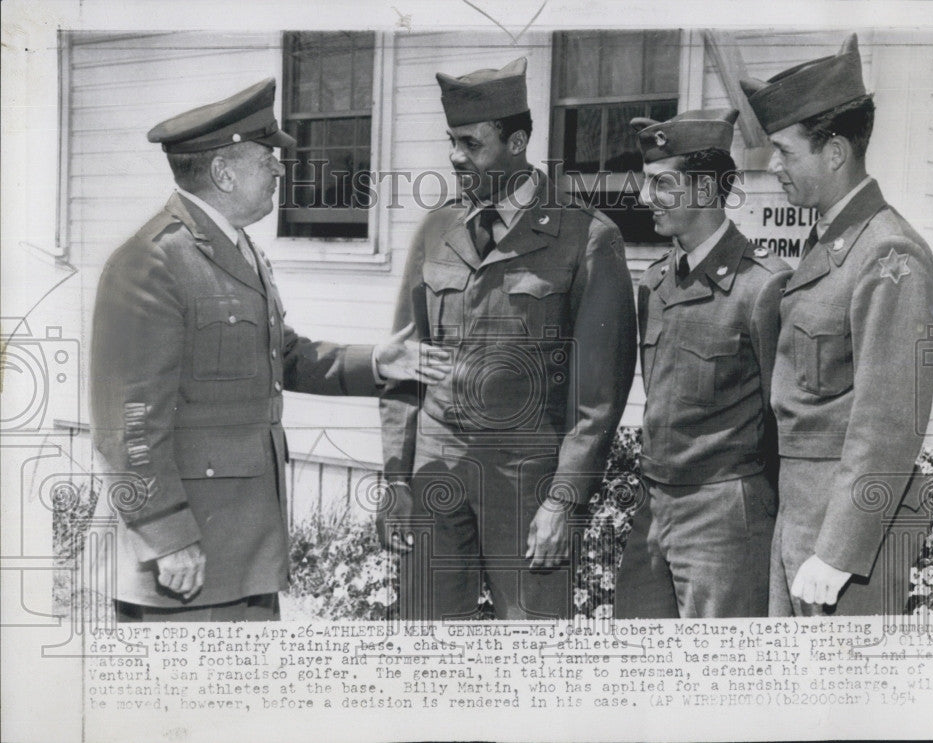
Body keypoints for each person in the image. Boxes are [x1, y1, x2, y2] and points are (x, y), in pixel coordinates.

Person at [89, 78, 450, 622]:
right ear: (223, 173)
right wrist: (166, 534)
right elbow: (127, 422)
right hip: (184, 560)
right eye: (268, 158)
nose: (281, 169)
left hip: (243, 551)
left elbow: (281, 355)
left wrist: (377, 362)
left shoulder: (239, 250)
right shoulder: (151, 263)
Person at [378, 57, 636, 621]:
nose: (455, 156)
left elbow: (598, 398)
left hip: (526, 480)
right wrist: (396, 478)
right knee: (427, 640)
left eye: (471, 143)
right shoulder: (436, 228)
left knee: (533, 650)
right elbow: (403, 364)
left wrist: (564, 499)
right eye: (451, 141)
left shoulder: (586, 238)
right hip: (436, 469)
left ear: (518, 141)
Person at [740, 34, 933, 615]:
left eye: (785, 151)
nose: (774, 166)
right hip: (804, 516)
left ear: (834, 153)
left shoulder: (888, 253)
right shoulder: (830, 242)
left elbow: (888, 419)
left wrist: (838, 551)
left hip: (848, 538)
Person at [614, 109, 791, 619]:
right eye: (647, 183)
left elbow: (782, 422)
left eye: (663, 184)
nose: (647, 198)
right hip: (653, 509)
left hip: (724, 516)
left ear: (709, 189)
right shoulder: (653, 284)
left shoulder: (761, 288)